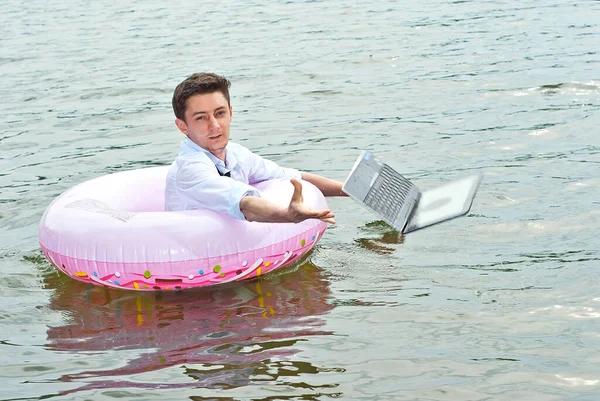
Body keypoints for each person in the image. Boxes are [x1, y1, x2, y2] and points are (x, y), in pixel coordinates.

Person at [165, 72, 347, 224]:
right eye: (201, 118)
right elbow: (242, 201)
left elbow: (290, 176)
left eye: (220, 113)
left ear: (230, 111)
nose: (215, 126)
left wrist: (349, 190)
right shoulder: (190, 168)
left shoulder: (236, 154)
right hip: (193, 254)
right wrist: (287, 215)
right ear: (183, 126)